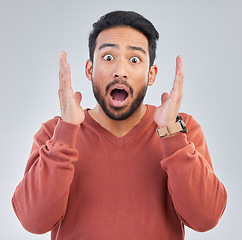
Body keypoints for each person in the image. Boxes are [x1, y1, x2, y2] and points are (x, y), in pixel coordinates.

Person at [12, 10, 227, 240]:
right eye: (108, 57)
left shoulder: (180, 129)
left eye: (134, 60)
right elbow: (33, 221)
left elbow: (205, 218)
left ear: (151, 75)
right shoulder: (54, 133)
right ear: (89, 69)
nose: (120, 71)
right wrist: (66, 131)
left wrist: (171, 133)